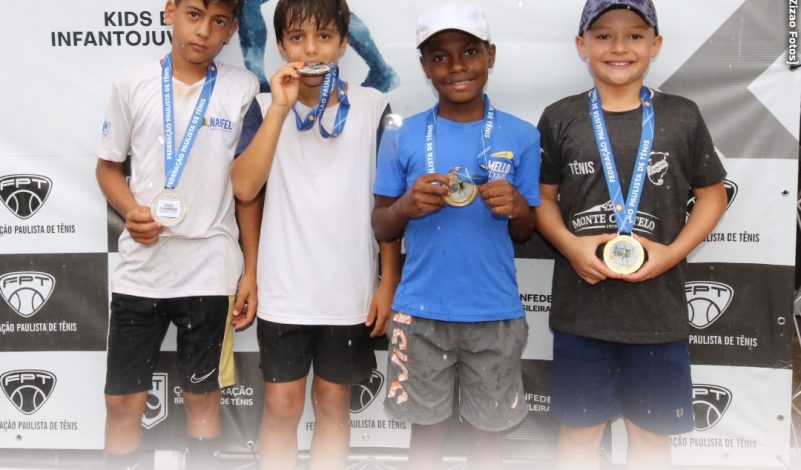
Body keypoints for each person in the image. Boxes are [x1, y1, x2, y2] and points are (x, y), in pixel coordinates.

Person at [535, 1, 728, 469]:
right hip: (581, 315)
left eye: (635, 35)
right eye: (603, 35)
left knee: (650, 437)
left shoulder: (682, 115)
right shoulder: (560, 116)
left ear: (655, 45)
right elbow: (540, 199)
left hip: (657, 315)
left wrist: (672, 254)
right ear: (581, 45)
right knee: (579, 434)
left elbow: (713, 195)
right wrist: (570, 246)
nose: (619, 47)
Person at [230, 0, 401, 468]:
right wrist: (279, 108)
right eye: (298, 37)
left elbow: (387, 202)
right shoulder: (263, 105)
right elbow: (245, 188)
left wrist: (388, 280)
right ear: (281, 44)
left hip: (348, 290)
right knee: (282, 407)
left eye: (324, 37)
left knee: (332, 404)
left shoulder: (373, 106)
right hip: (284, 289)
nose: (311, 49)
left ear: (343, 44)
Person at [371, 3, 541, 469]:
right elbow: (381, 225)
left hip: (494, 312)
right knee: (426, 438)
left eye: (469, 52)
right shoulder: (402, 134)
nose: (457, 66)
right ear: (425, 67)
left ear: (490, 55)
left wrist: (518, 207)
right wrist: (405, 206)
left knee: (488, 441)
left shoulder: (522, 135)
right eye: (440, 57)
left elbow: (526, 232)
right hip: (420, 313)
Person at [96, 0, 259, 469]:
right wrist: (131, 211)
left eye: (218, 21)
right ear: (169, 12)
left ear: (232, 29)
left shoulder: (244, 87)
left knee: (202, 397)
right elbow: (107, 168)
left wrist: (251, 271)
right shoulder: (131, 83)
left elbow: (249, 191)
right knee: (121, 401)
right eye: (193, 14)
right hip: (141, 270)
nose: (204, 31)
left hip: (209, 269)